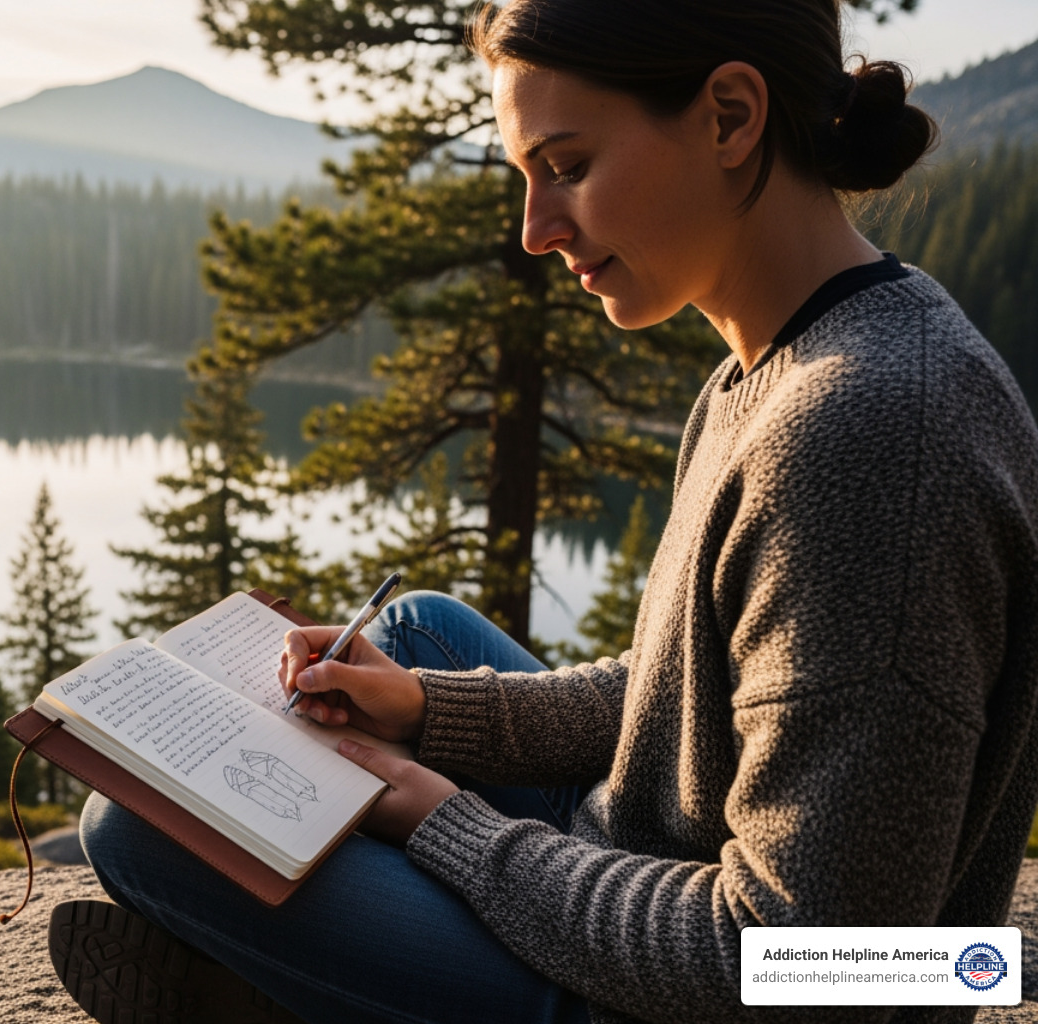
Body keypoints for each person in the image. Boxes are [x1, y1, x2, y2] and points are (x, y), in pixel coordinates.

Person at [57, 1, 1038, 1022]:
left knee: (140, 829)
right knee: (412, 635)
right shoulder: (780, 360)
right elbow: (699, 691)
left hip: (698, 989)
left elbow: (810, 969)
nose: (535, 232)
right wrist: (431, 714)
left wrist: (453, 830)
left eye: (566, 166)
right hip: (650, 859)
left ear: (731, 117)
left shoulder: (869, 434)